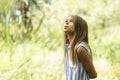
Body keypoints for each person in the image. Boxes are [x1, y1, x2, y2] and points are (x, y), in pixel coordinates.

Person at [64, 15, 97, 80]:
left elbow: (93, 74)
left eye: (71, 21)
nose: (66, 23)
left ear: (79, 27)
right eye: (66, 21)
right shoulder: (68, 46)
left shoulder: (80, 49)